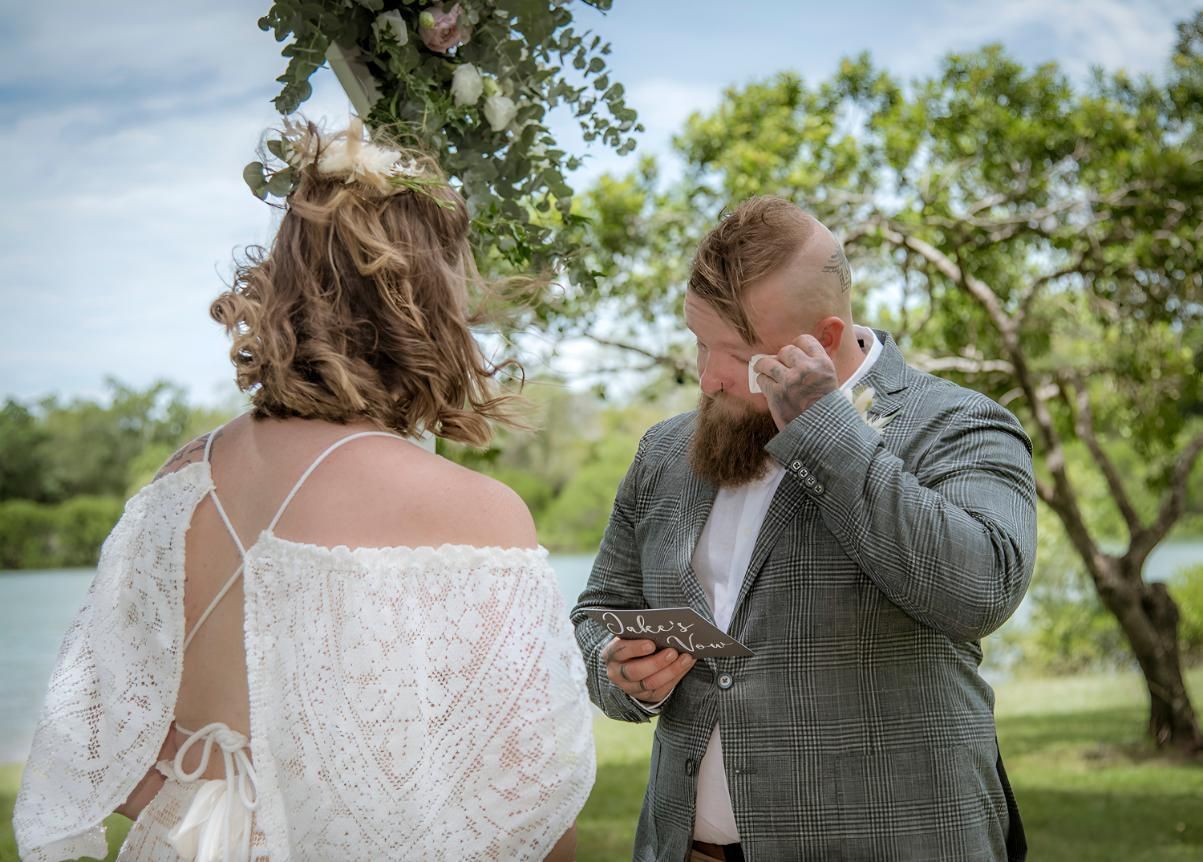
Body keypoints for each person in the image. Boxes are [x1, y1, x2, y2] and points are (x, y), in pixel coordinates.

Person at [15, 119, 594, 862]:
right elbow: (532, 807)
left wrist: (211, 821)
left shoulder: (180, 480)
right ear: (427, 302)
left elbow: (99, 737)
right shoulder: (475, 512)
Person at [571, 195, 1036, 861]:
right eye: (699, 343)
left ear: (819, 340)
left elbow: (978, 592)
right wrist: (614, 669)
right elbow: (598, 613)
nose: (706, 377)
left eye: (734, 352)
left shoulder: (959, 423)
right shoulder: (664, 451)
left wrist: (824, 428)